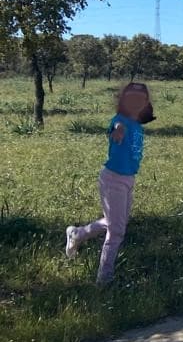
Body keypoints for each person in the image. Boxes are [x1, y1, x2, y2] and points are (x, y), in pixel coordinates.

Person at [65, 82, 155, 286]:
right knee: (117, 232)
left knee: (115, 222)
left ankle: (77, 234)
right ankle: (104, 281)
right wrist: (119, 131)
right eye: (130, 99)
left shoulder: (138, 124)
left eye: (140, 100)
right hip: (113, 179)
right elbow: (117, 127)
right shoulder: (120, 120)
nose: (135, 103)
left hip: (128, 179)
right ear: (122, 101)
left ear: (145, 103)